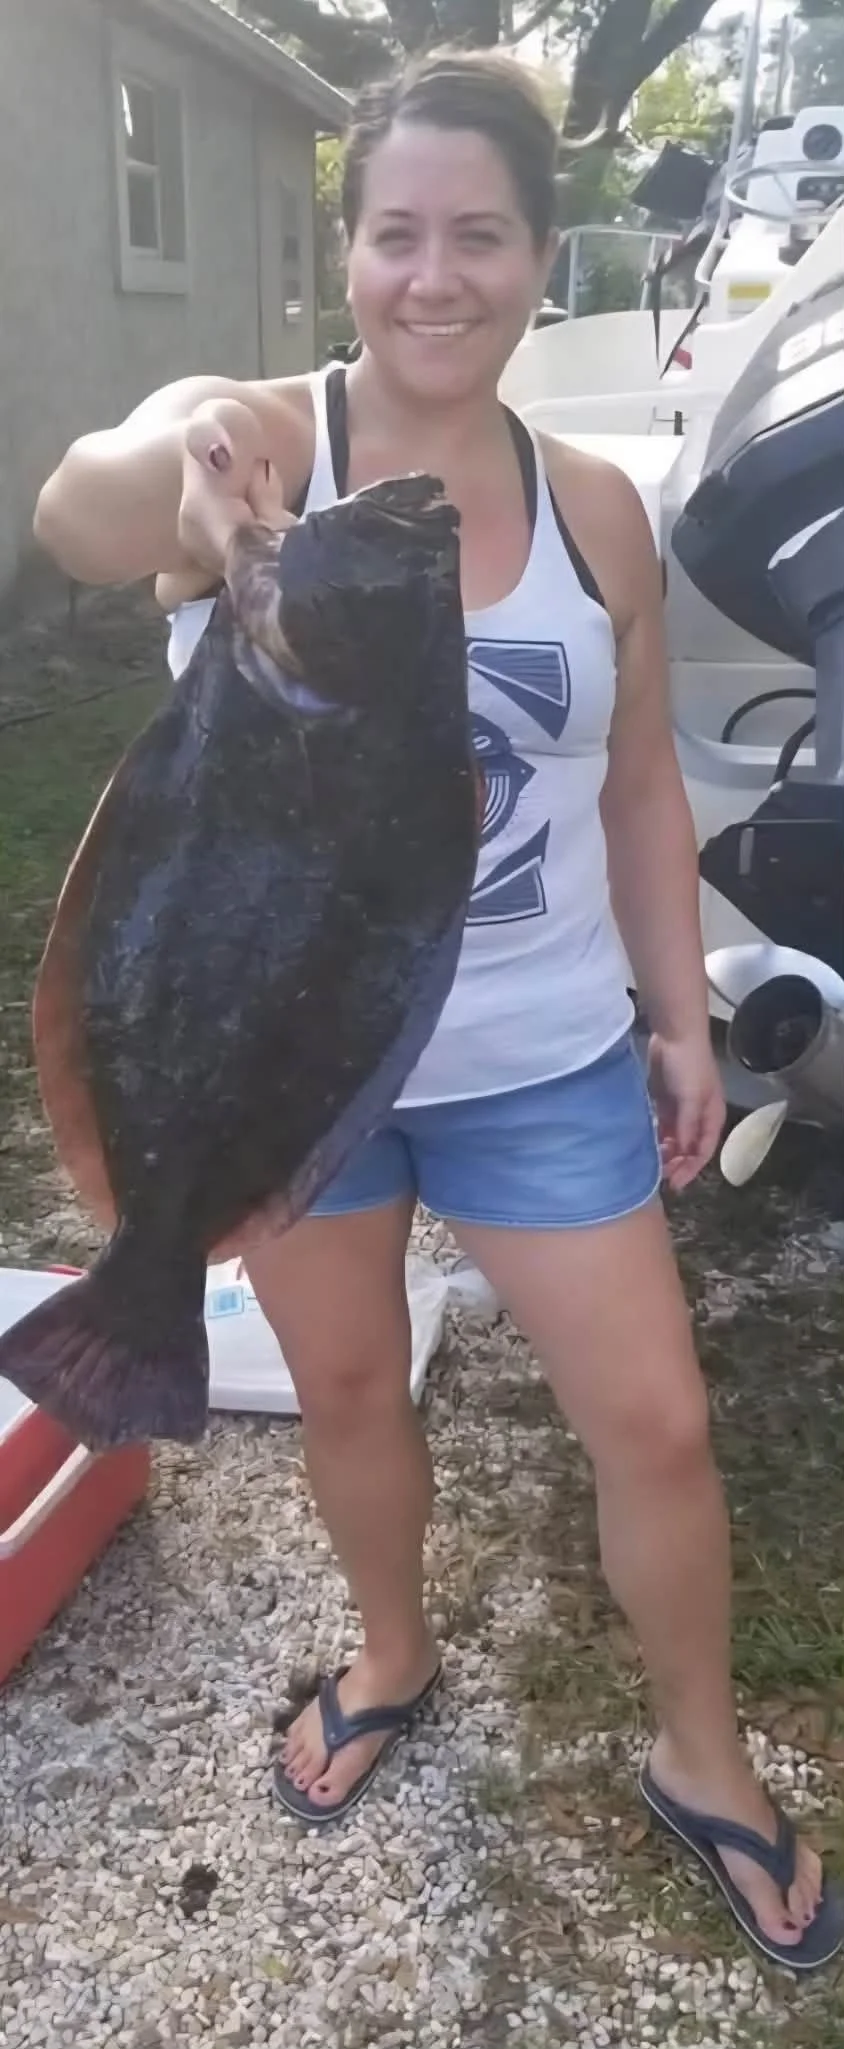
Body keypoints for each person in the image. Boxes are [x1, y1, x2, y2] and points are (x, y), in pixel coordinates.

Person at [34, 48, 841, 1973]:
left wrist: (671, 1017)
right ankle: (392, 1653)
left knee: (651, 1422)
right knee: (345, 1385)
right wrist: (183, 473)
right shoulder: (266, 446)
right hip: (290, 1074)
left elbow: (641, 786)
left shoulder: (597, 511)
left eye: (478, 235)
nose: (434, 274)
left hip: (534, 1054)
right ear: (349, 256)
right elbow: (80, 512)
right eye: (397, 234)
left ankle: (700, 1751)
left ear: (539, 258)